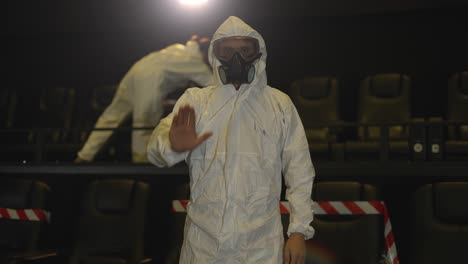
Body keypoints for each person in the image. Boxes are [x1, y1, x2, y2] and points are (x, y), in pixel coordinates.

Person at [147, 16, 315, 264]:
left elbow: (299, 169)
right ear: (216, 56)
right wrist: (171, 145)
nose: (237, 59)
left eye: (245, 50)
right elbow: (154, 149)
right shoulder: (196, 102)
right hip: (203, 245)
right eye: (227, 51)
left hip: (261, 246)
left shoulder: (279, 104)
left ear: (258, 54)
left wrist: (299, 231)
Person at [75, 35, 213, 163]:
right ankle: (140, 162)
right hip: (150, 79)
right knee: (144, 121)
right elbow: (214, 84)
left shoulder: (177, 49)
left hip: (137, 69)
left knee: (113, 115)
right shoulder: (194, 61)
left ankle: (84, 156)